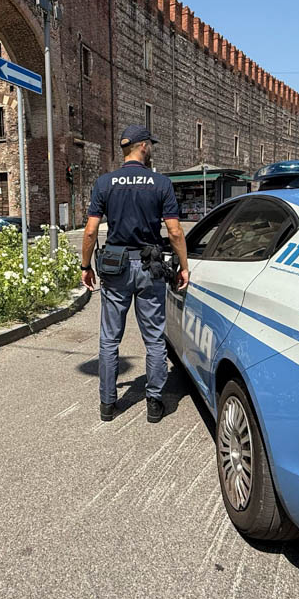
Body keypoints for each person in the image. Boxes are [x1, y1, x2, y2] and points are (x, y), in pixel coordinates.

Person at [81, 124, 190, 424]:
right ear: (142, 146)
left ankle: (107, 404)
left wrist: (85, 266)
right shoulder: (161, 183)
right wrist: (184, 267)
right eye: (150, 144)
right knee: (154, 338)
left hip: (115, 268)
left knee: (109, 339)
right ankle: (154, 403)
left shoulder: (105, 183)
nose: (151, 148)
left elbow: (91, 231)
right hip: (149, 266)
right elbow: (175, 231)